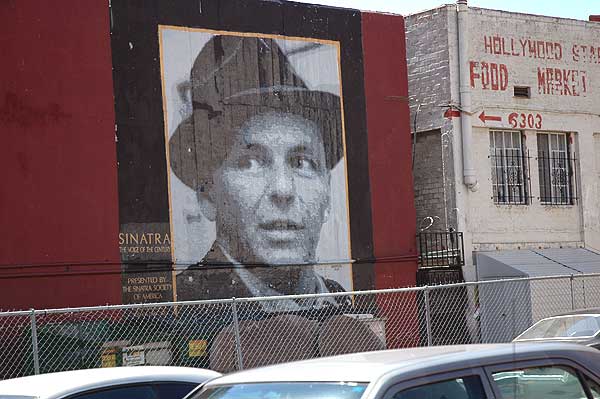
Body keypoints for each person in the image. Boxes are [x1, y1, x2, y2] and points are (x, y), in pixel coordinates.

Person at [168, 34, 347, 310]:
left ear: (328, 195)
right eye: (250, 162)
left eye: (302, 163)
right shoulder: (185, 304)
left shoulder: (340, 300)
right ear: (207, 194)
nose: (283, 190)